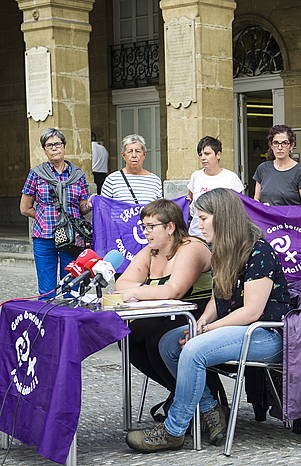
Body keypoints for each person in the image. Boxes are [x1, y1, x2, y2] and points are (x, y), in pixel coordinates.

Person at [125, 188, 291, 452]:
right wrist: (200, 323)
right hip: (238, 329)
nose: (198, 225)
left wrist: (206, 331)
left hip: (266, 334)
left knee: (193, 348)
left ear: (222, 217)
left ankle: (173, 430)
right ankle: (211, 408)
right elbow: (218, 298)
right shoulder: (222, 250)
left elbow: (252, 312)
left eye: (203, 218)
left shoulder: (259, 251)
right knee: (171, 343)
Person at [115, 199, 215, 413]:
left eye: (151, 227)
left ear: (170, 227)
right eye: (144, 227)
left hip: (198, 314)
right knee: (128, 337)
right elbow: (120, 283)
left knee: (152, 335)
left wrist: (137, 291)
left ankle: (202, 402)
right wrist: (145, 289)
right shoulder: (151, 251)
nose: (145, 232)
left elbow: (174, 290)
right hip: (166, 315)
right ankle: (183, 395)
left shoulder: (191, 247)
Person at [19, 128, 90, 298]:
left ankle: (69, 319)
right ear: (44, 150)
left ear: (64, 146)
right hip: (44, 236)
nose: (54, 148)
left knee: (71, 286)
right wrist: (45, 217)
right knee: (46, 289)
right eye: (49, 145)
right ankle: (47, 319)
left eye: (57, 144)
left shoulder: (78, 175)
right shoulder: (36, 174)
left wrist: (91, 203)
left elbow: (82, 207)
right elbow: (25, 208)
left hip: (72, 237)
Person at [187, 136, 244, 238]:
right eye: (200, 154)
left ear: (218, 155)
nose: (203, 158)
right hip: (197, 235)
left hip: (222, 236)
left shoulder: (231, 178)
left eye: (207, 154)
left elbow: (239, 207)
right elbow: (190, 200)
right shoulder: (196, 176)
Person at [253, 125, 301, 206]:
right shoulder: (262, 168)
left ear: (291, 146)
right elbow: (256, 199)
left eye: (284, 143)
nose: (279, 147)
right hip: (266, 218)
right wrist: (261, 207)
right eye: (276, 143)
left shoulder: (300, 171)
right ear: (271, 145)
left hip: (291, 218)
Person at [97, 134, 162, 205]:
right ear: (123, 155)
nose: (134, 155)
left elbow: (159, 210)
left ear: (144, 155)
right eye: (130, 151)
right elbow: (104, 208)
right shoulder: (112, 180)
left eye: (138, 151)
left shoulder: (155, 181)